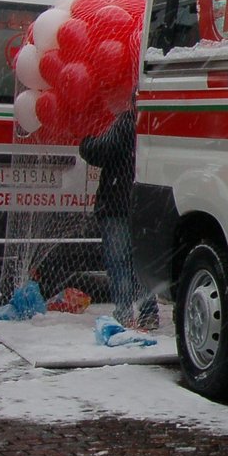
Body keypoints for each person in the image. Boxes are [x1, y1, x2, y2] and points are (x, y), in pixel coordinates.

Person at [79, 109, 156, 329]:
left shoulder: (124, 124)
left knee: (119, 263)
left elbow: (99, 152)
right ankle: (148, 312)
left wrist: (85, 140)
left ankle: (124, 313)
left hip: (118, 204)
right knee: (143, 262)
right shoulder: (151, 121)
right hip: (146, 204)